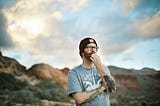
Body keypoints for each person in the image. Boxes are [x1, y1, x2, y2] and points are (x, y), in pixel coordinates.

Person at [68, 37, 116, 106]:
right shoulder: (74, 73)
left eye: (95, 48)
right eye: (89, 47)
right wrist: (101, 88)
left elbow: (112, 89)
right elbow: (79, 99)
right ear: (82, 52)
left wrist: (99, 67)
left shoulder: (103, 68)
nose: (93, 50)